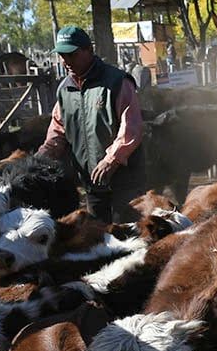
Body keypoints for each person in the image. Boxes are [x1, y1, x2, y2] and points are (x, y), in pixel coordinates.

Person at [37, 25, 146, 223]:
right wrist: (39, 159)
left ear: (89, 50)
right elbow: (57, 132)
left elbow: (131, 128)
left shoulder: (117, 82)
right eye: (62, 55)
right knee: (97, 234)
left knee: (129, 231)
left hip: (124, 181)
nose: (66, 61)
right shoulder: (65, 90)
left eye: (72, 54)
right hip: (91, 183)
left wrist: (111, 160)